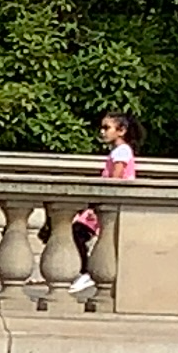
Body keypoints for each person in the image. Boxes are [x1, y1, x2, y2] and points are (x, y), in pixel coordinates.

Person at [70, 108, 137, 285]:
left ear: (121, 130)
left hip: (110, 203)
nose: (102, 132)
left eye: (107, 128)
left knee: (78, 231)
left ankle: (86, 271)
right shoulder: (119, 151)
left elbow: (115, 179)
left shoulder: (121, 151)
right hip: (107, 202)